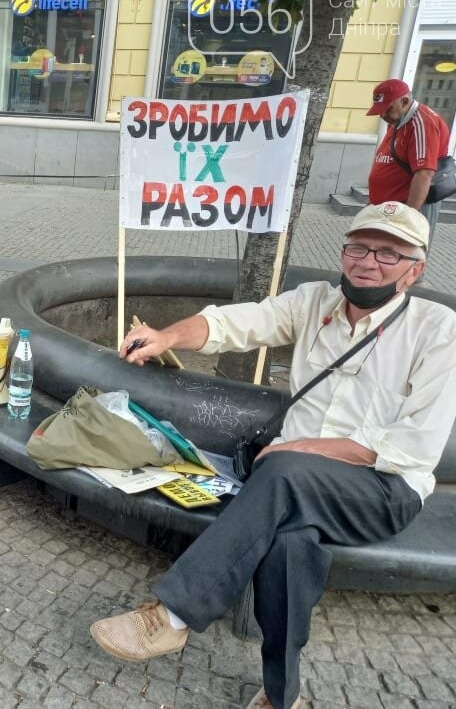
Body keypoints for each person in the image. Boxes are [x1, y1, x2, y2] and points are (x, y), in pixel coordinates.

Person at [90, 202, 456, 709]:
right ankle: (282, 696)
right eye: (358, 247)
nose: (368, 261)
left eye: (388, 253)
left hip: (381, 489)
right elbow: (238, 323)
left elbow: (413, 446)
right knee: (289, 545)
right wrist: (167, 336)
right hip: (294, 486)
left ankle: (172, 617)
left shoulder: (437, 329)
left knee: (283, 470)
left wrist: (298, 449)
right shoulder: (314, 303)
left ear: (415, 269)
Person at [367, 78, 451, 249]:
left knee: (403, 255)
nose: (383, 115)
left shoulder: (422, 123)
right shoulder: (398, 120)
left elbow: (424, 173)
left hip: (406, 207)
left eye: (387, 109)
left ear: (404, 101)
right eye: (380, 111)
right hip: (388, 207)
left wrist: (408, 216)